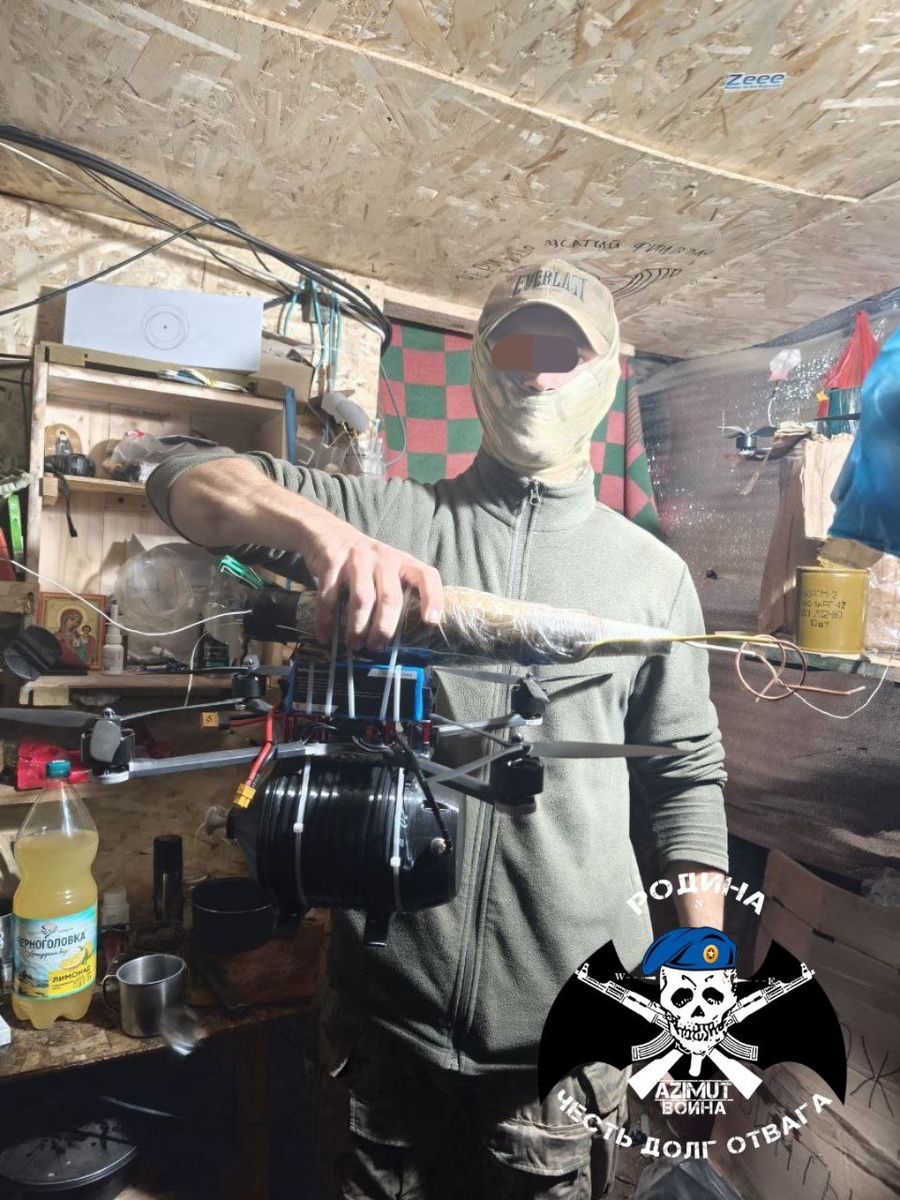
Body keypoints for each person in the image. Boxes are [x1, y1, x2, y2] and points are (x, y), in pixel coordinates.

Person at [146, 258, 728, 1199]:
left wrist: (702, 978)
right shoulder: (391, 517)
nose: (537, 373)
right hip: (385, 1035)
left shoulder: (654, 579)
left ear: (608, 374)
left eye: (565, 351)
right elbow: (180, 476)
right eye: (516, 346)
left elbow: (684, 783)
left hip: (564, 1054)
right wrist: (324, 536)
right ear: (479, 367)